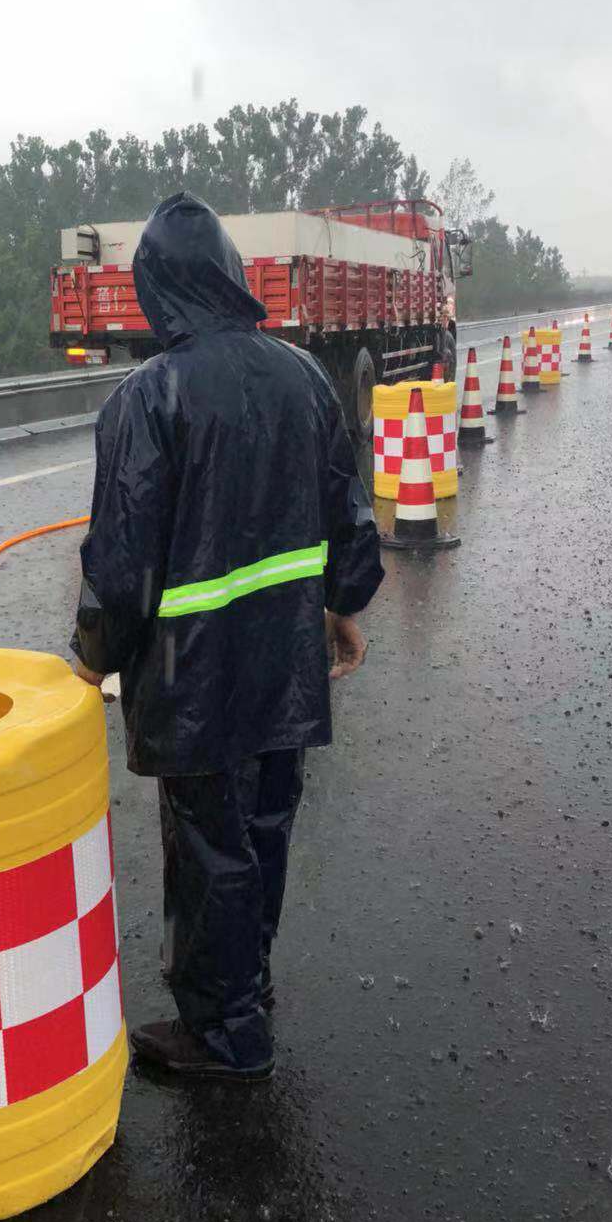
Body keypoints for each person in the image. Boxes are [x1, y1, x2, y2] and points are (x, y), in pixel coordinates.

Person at [71, 192, 383, 1082]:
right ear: (232, 277)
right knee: (264, 828)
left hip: (194, 674)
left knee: (210, 850)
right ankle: (248, 984)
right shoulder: (304, 376)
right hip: (286, 663)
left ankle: (224, 1033)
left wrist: (93, 655)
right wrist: (342, 604)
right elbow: (347, 511)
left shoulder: (146, 399)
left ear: (156, 290)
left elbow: (120, 565)